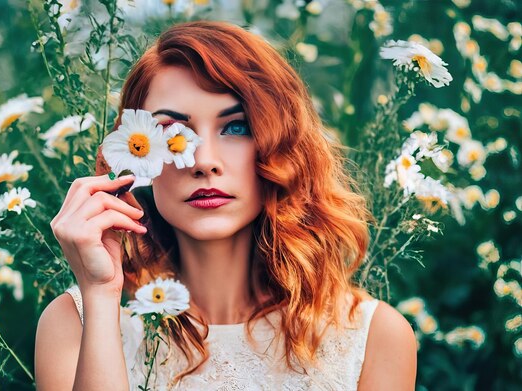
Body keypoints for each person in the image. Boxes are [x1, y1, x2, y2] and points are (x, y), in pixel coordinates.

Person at [34, 21, 417, 391]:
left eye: (235, 127)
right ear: (134, 157)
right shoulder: (76, 324)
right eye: (171, 133)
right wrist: (101, 293)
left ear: (280, 146)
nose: (204, 161)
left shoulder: (371, 338)